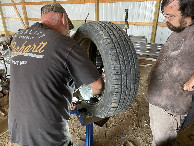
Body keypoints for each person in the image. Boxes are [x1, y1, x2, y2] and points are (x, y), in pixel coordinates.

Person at [8, 3, 104, 146]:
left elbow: (41, 62)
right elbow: (97, 85)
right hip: (47, 132)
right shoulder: (64, 43)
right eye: (67, 30)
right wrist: (93, 96)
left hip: (18, 125)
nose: (67, 33)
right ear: (64, 19)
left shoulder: (18, 37)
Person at [146, 0, 194, 145]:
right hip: (158, 100)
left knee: (163, 142)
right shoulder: (181, 29)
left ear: (189, 13)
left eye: (170, 16)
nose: (165, 19)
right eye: (164, 14)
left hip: (170, 107)